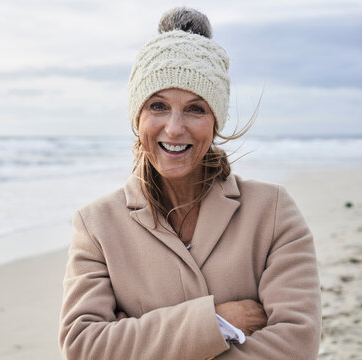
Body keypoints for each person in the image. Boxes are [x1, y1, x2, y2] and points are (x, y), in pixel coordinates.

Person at [59, 7, 321, 360]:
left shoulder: (272, 211)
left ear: (216, 121)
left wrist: (136, 338)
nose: (174, 128)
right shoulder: (97, 226)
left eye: (195, 109)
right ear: (138, 117)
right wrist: (218, 323)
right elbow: (84, 347)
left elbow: (296, 345)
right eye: (158, 106)